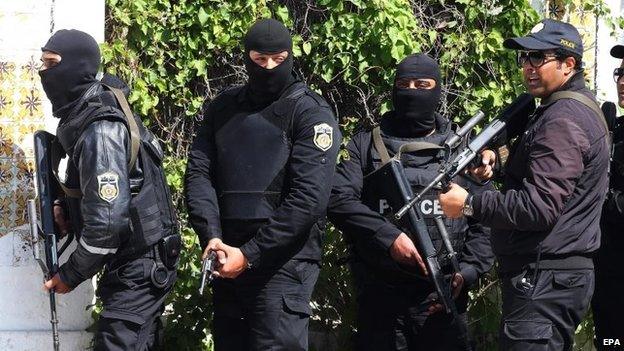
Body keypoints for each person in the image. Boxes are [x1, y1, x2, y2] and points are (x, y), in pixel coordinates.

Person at [438, 19, 609, 350]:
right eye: (524, 58)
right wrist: (497, 159)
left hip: (544, 280)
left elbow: (539, 207)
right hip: (554, 277)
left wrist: (470, 205)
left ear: (568, 63)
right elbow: (552, 173)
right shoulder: (574, 108)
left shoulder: (562, 119)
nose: (528, 67)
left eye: (538, 58)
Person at [184, 18, 340, 350]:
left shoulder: (310, 112)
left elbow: (308, 199)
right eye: (259, 60)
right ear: (247, 59)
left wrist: (251, 253)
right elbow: (199, 173)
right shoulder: (224, 108)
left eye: (278, 60)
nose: (269, 68)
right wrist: (211, 235)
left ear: (290, 57)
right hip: (227, 258)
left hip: (283, 264)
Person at [327, 53, 494, 351]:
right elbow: (338, 200)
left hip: (442, 302)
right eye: (404, 84)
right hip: (381, 302)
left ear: (438, 89)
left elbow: (486, 221)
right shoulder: (366, 144)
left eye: (423, 84)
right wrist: (389, 237)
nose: (413, 92)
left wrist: (468, 271)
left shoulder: (463, 150)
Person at [39, 29, 180, 350]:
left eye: (52, 63)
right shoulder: (88, 116)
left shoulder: (100, 129)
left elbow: (107, 223)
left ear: (77, 66)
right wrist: (67, 208)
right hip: (135, 263)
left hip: (142, 266)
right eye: (42, 62)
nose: (44, 72)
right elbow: (106, 192)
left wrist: (71, 274)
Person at [591, 44, 624, 350]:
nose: (623, 81)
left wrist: (604, 200)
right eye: (621, 73)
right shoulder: (615, 128)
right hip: (609, 274)